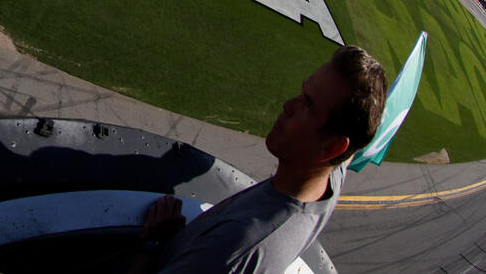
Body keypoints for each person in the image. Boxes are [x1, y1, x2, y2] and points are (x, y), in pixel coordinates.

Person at [131, 45, 387, 273]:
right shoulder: (331, 174)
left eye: (308, 105)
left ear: (331, 146)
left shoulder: (234, 248)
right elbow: (350, 152)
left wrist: (152, 243)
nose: (288, 105)